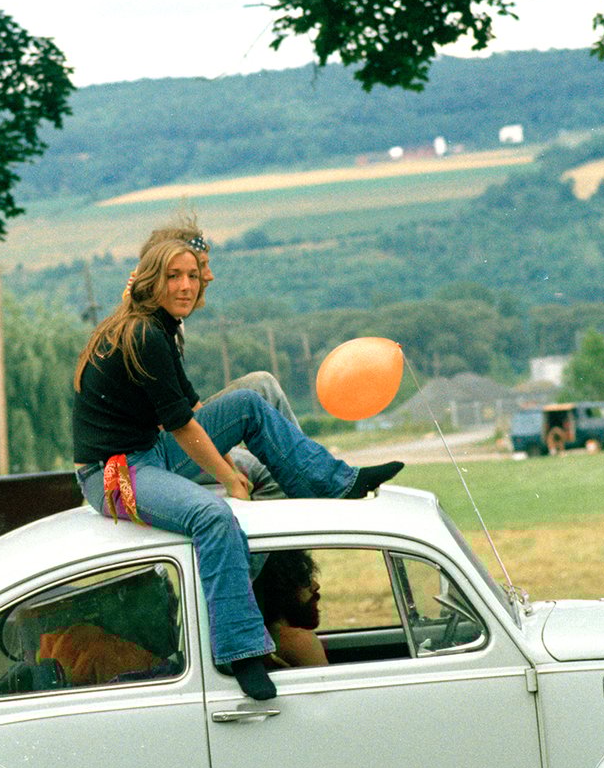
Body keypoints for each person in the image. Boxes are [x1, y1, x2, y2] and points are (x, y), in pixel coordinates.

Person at [73, 237, 403, 702]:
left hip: (153, 452)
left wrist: (230, 465)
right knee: (212, 516)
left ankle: (337, 483)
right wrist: (230, 480)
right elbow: (183, 425)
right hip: (115, 476)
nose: (187, 284)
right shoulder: (144, 335)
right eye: (174, 276)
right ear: (151, 280)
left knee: (249, 401)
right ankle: (239, 650)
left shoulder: (160, 327)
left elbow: (192, 409)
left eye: (193, 274)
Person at [127, 221, 302, 497]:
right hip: (160, 455)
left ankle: (306, 467)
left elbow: (188, 405)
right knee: (267, 462)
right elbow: (173, 420)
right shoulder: (149, 329)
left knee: (262, 396)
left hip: (173, 443)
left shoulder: (166, 322)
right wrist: (226, 466)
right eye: (201, 267)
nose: (208, 276)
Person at [251, 549, 328, 669]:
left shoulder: (257, 638)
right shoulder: (299, 640)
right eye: (304, 579)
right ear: (281, 589)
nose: (316, 586)